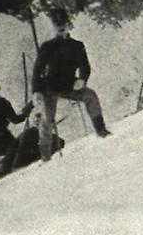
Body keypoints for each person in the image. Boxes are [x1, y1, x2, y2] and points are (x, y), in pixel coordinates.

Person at [33, 8, 111, 161]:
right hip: (50, 88)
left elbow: (85, 66)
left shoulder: (77, 45)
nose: (60, 28)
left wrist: (82, 80)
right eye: (57, 25)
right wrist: (36, 91)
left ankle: (101, 131)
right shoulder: (47, 46)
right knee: (47, 118)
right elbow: (37, 70)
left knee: (91, 96)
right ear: (53, 27)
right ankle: (45, 154)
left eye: (63, 24)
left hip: (70, 85)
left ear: (68, 25)